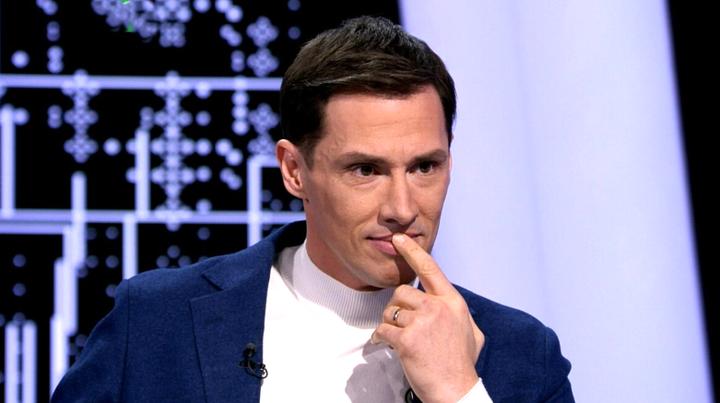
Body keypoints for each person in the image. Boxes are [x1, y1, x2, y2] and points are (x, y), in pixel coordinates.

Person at [52, 16, 574, 403]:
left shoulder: (524, 355)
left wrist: (459, 393)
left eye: (424, 167)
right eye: (365, 169)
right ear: (294, 170)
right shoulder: (154, 322)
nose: (402, 207)